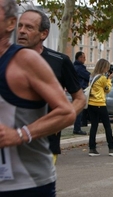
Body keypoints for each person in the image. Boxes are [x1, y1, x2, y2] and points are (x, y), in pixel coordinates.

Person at [0, 1, 86, 197]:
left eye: (29, 26)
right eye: (22, 25)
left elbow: (72, 105)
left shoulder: (33, 60)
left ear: (8, 24)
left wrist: (22, 133)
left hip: (30, 175)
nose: (24, 30)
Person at [16, 9, 85, 164]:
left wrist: (61, 122)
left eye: (29, 27)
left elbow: (80, 99)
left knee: (37, 188)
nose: (21, 31)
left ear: (44, 34)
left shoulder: (60, 61)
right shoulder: (6, 57)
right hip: (8, 144)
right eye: (20, 26)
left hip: (44, 145)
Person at [87, 59, 113, 156]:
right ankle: (111, 148)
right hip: (100, 104)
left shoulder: (91, 77)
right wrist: (109, 79)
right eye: (107, 67)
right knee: (107, 126)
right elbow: (107, 89)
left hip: (91, 104)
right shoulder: (103, 78)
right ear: (104, 67)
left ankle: (92, 149)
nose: (107, 69)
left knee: (94, 126)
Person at [73, 51, 91, 134]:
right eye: (83, 57)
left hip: (75, 89)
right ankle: (77, 128)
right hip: (80, 90)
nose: (85, 59)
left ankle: (82, 124)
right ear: (79, 58)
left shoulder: (74, 66)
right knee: (79, 109)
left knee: (79, 109)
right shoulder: (80, 68)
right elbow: (88, 76)